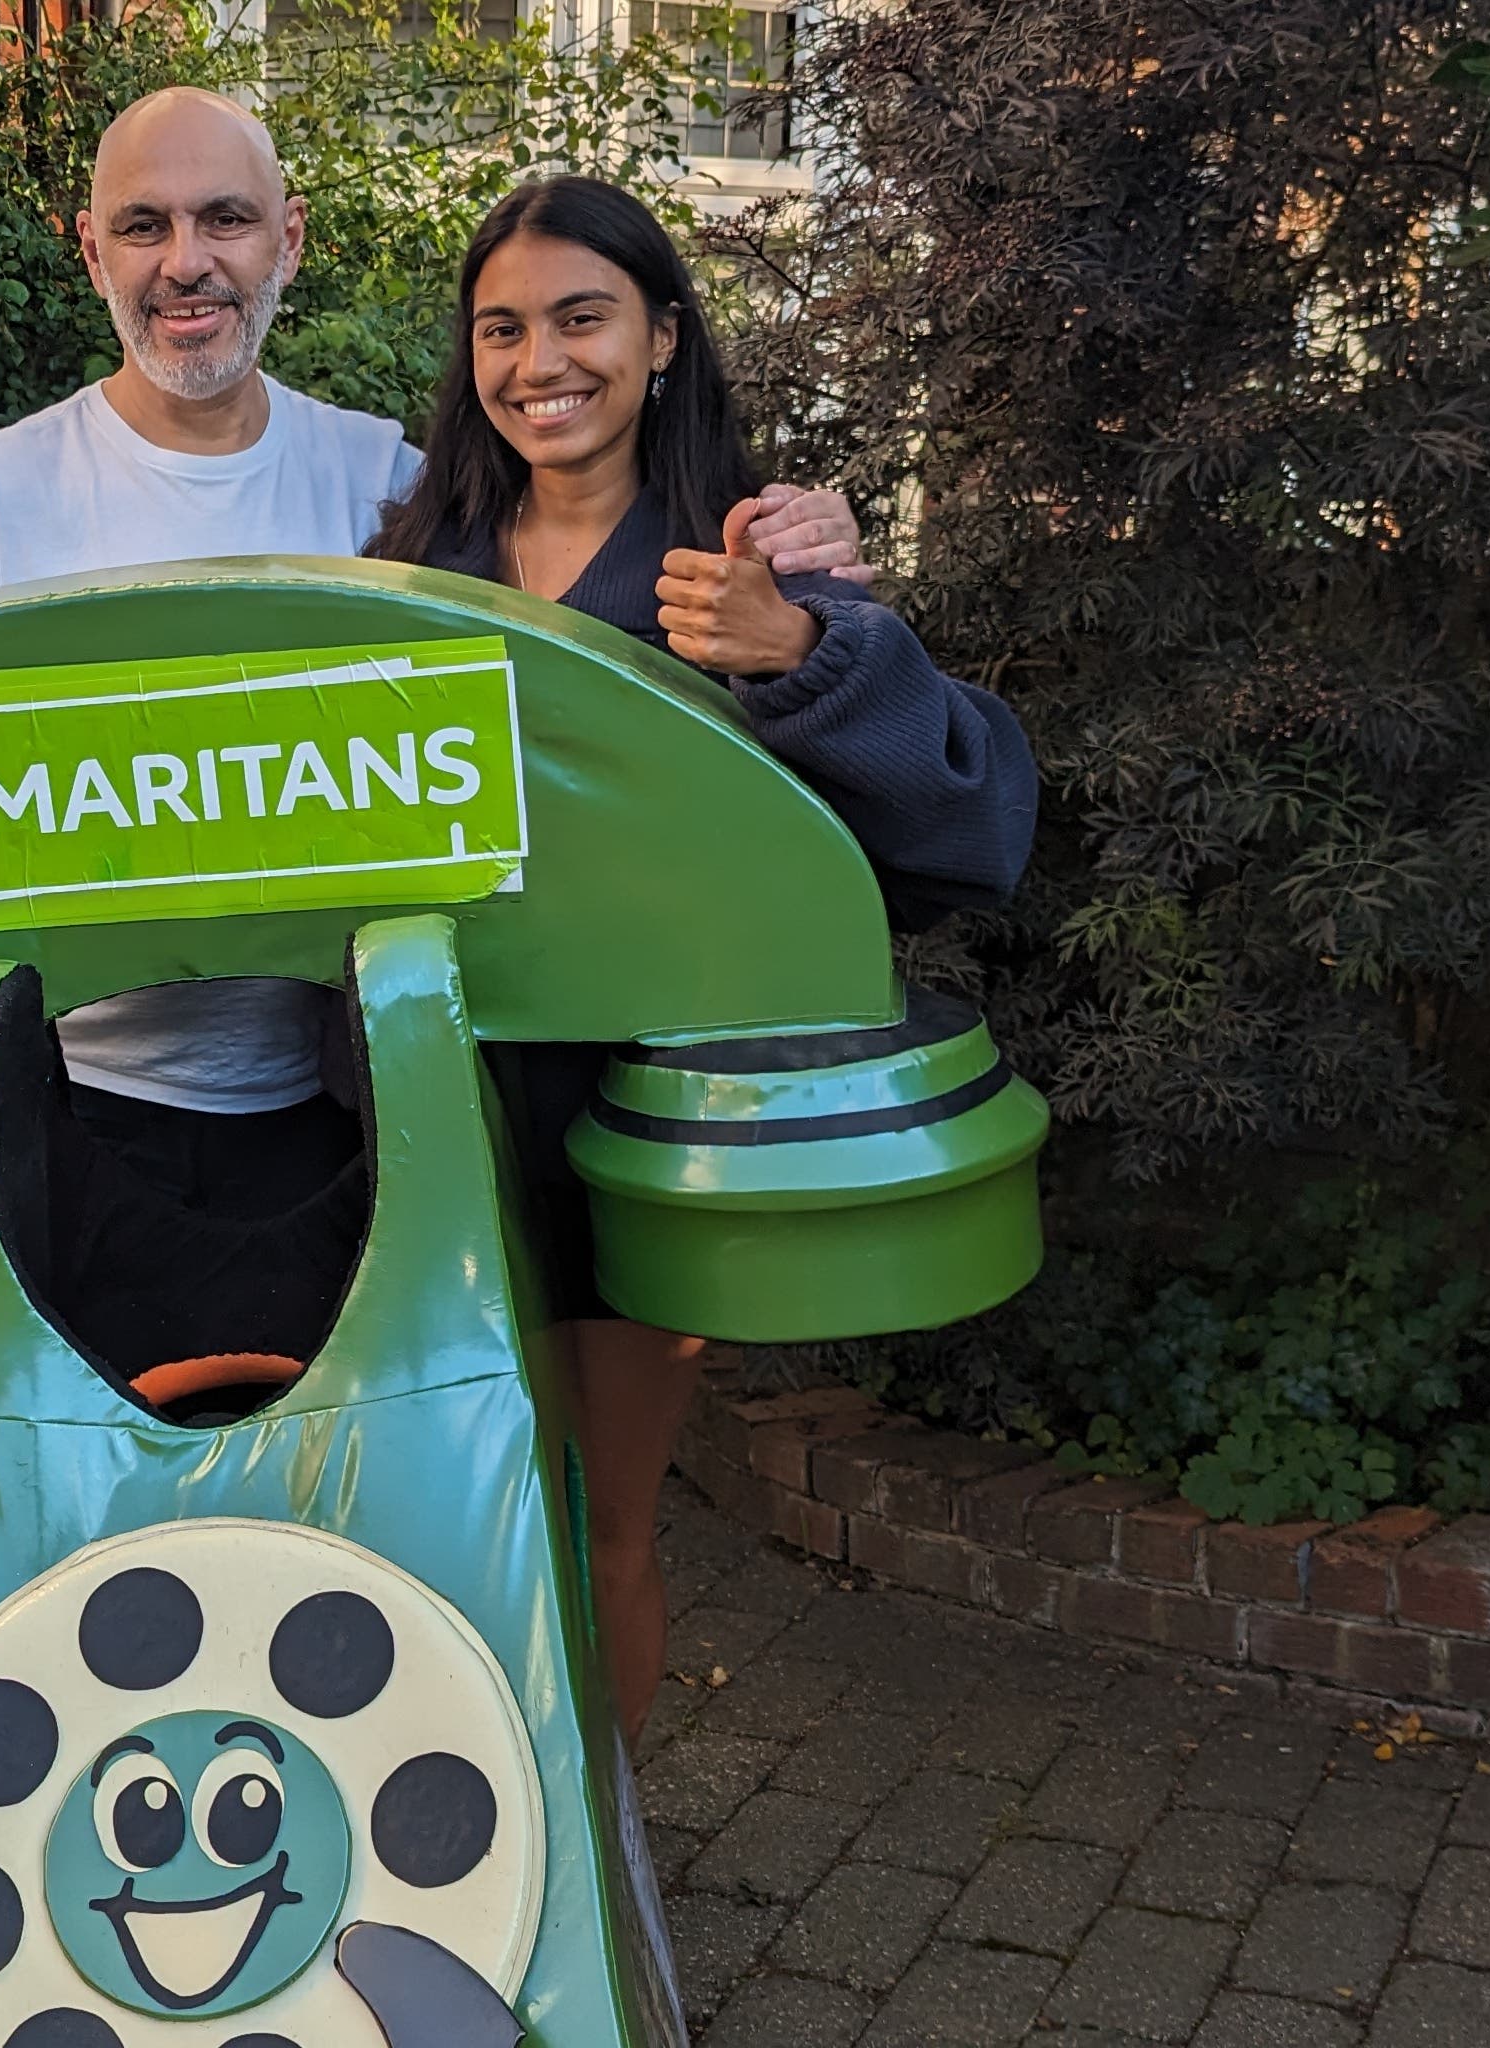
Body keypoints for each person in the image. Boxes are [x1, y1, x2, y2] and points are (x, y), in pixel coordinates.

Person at [0, 92, 875, 1370]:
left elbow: (583, 583)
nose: (188, 262)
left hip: (351, 1117)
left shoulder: (381, 481)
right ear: (93, 250)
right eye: (145, 226)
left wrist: (803, 550)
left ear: (286, 239)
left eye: (224, 220)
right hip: (73, 1122)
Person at [365, 174, 1038, 1738]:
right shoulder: (410, 563)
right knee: (452, 1528)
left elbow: (967, 827)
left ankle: (597, 1892)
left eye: (584, 317)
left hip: (634, 1134)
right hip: (429, 1122)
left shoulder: (754, 558)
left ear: (663, 337)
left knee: (598, 1524)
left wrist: (810, 653)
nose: (544, 360)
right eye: (503, 328)